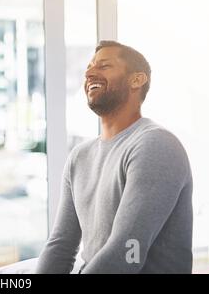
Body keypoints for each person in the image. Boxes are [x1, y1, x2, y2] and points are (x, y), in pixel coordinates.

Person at [36, 40, 193, 273]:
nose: (89, 72)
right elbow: (61, 245)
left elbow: (128, 251)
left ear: (137, 80)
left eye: (104, 66)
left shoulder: (156, 144)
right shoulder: (80, 156)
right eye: (89, 67)